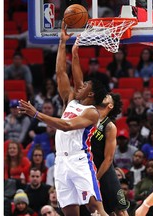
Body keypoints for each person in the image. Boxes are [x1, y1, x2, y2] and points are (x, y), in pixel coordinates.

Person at [18, 21, 108, 216]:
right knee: (69, 212)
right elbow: (61, 73)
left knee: (94, 208)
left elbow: (67, 125)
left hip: (79, 160)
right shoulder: (71, 101)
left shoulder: (92, 112)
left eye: (85, 86)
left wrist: (36, 114)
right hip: (61, 162)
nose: (80, 86)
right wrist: (63, 44)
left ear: (91, 95)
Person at [72, 42, 130, 215]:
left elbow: (108, 159)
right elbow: (79, 83)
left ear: (111, 105)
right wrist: (75, 56)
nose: (105, 95)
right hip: (85, 167)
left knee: (120, 211)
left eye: (108, 96)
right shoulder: (89, 114)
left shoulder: (109, 126)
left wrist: (96, 178)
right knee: (94, 210)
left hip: (104, 173)